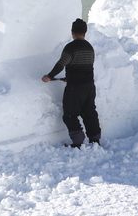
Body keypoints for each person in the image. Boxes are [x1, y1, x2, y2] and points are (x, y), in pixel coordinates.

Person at [42, 18, 101, 148]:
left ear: (72, 32)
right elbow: (84, 67)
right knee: (89, 112)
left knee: (70, 114)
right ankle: (95, 139)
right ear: (85, 33)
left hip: (75, 88)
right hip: (90, 86)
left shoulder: (70, 47)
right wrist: (69, 77)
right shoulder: (90, 48)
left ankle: (78, 141)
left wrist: (49, 76)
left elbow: (61, 64)